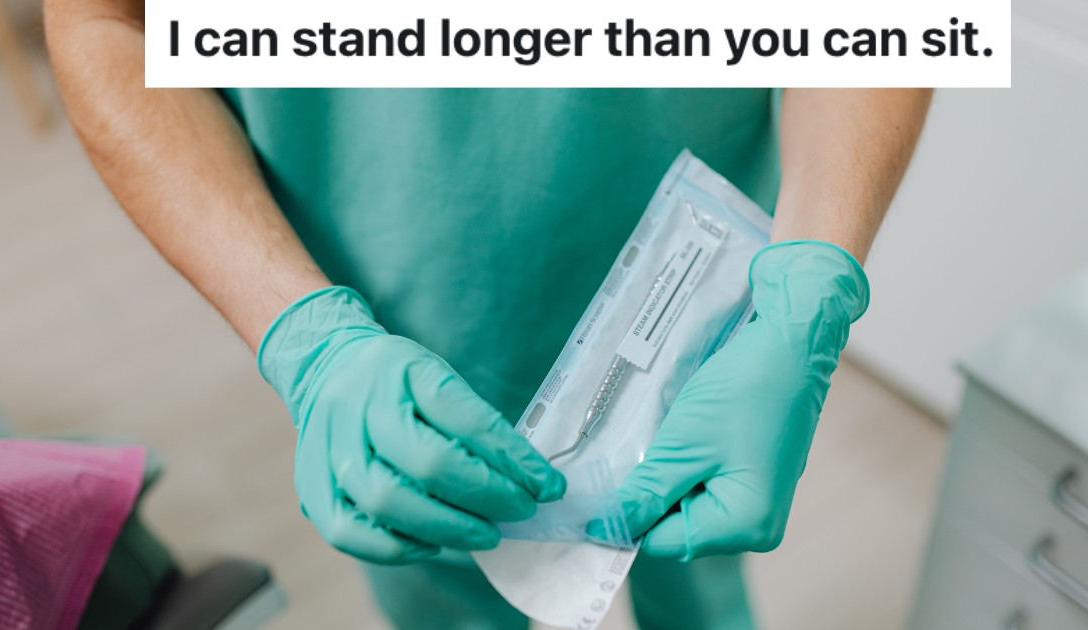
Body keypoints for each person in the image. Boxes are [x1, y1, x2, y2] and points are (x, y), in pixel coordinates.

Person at [45, 0, 933, 627]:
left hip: (696, 318)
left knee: (699, 575)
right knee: (453, 598)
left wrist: (809, 286)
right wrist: (304, 337)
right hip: (398, 365)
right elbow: (103, 19)